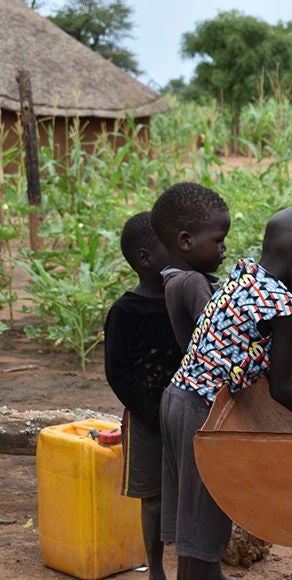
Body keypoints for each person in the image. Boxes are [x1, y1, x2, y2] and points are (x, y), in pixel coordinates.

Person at [159, 206, 292, 580]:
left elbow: (234, 335)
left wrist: (287, 348)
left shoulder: (243, 274)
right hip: (204, 416)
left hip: (176, 399)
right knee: (205, 519)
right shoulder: (283, 304)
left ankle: (206, 576)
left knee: (194, 524)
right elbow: (281, 389)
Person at [104, 211, 183, 580]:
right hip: (147, 418)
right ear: (145, 258)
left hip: (189, 413)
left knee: (192, 493)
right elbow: (117, 371)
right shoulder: (125, 312)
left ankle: (197, 566)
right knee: (152, 499)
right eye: (170, 247)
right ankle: (156, 570)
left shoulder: (185, 297)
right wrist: (151, 413)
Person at [150, 181, 231, 349]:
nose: (224, 248)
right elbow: (221, 337)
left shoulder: (175, 280)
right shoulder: (191, 282)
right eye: (218, 240)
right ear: (186, 242)